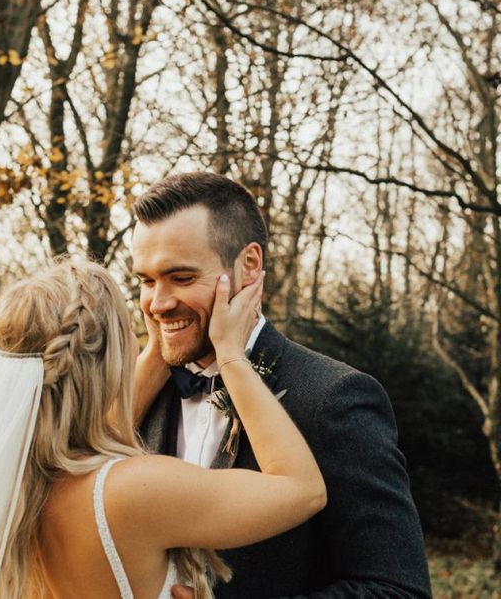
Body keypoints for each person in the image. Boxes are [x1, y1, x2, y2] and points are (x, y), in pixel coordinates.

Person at [0, 258, 326, 598]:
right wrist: (231, 355)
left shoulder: (11, 491)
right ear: (107, 364)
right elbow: (300, 488)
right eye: (130, 334)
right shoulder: (131, 490)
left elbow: (101, 430)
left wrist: (164, 345)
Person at [131, 171, 431, 598]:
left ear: (249, 266)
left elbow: (400, 591)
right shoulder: (139, 397)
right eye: (145, 281)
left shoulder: (335, 399)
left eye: (181, 278)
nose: (158, 303)